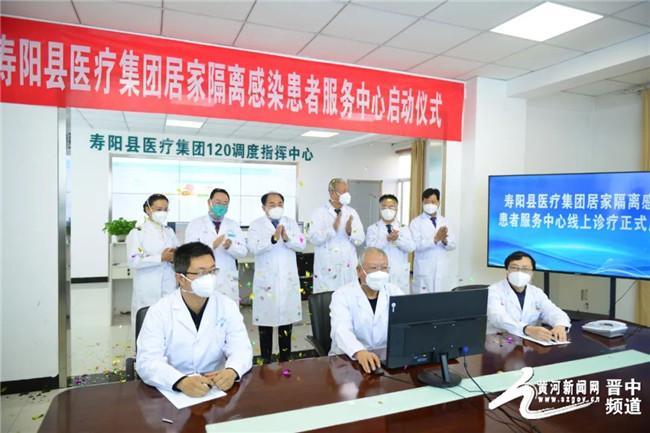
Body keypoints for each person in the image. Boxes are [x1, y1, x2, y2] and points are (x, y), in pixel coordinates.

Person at [136, 242, 253, 396]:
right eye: (201, 273)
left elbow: (241, 348)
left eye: (212, 271)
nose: (209, 278)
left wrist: (232, 370)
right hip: (172, 391)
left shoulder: (227, 305)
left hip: (216, 388)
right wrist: (180, 381)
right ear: (180, 278)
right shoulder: (159, 312)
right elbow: (147, 361)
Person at [247, 192, 305, 363]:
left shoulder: (291, 223)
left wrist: (287, 238)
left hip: (287, 281)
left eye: (280, 204)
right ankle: (265, 362)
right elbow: (253, 247)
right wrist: (272, 239)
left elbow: (301, 244)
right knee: (265, 324)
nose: (276, 207)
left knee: (286, 325)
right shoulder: (256, 225)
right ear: (263, 207)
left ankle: (285, 361)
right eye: (272, 204)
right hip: (266, 283)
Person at [329, 247, 403, 373]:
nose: (379, 273)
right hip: (348, 360)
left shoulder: (394, 292)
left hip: (384, 359)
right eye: (373, 268)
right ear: (359, 270)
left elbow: (406, 324)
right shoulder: (342, 295)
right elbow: (341, 330)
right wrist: (359, 351)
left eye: (384, 268)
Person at [487, 251, 571, 342]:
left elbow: (553, 311)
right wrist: (526, 329)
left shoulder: (536, 292)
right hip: (499, 341)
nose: (519, 272)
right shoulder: (493, 291)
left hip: (528, 343)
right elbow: (497, 317)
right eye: (514, 268)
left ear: (532, 272)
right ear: (507, 270)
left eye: (525, 269)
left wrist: (560, 325)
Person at [126, 194, 179, 332]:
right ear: (148, 209)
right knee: (147, 325)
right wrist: (160, 258)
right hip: (148, 286)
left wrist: (174, 257)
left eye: (165, 209)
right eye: (159, 209)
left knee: (169, 323)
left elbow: (177, 253)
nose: (163, 212)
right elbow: (133, 261)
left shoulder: (169, 232)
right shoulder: (137, 233)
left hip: (169, 285)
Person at [185, 188, 247, 302]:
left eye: (225, 203)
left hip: (227, 278)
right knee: (205, 308)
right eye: (218, 202)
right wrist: (211, 245)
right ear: (209, 202)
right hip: (203, 276)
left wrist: (231, 247)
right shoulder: (195, 224)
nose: (221, 206)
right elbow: (189, 252)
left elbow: (243, 252)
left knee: (228, 309)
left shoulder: (233, 225)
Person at [307, 178, 364, 293]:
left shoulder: (352, 212)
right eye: (343, 191)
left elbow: (361, 239)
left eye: (347, 191)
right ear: (332, 193)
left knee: (348, 297)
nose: (347, 194)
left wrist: (350, 232)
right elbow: (312, 238)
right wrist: (331, 230)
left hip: (347, 267)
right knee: (327, 299)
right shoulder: (318, 213)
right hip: (327, 267)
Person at [365, 194, 415, 293]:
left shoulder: (403, 228)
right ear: (380, 208)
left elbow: (411, 247)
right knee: (380, 297)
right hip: (379, 271)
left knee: (399, 298)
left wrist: (397, 240)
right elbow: (370, 249)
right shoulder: (373, 228)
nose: (387, 210)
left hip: (399, 271)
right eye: (384, 207)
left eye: (391, 207)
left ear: (396, 209)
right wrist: (386, 239)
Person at [410, 188, 456, 293]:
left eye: (433, 202)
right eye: (426, 202)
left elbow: (453, 244)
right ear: (422, 203)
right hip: (424, 269)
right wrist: (435, 239)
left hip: (442, 268)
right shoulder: (416, 222)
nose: (429, 205)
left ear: (438, 203)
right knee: (424, 299)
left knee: (442, 298)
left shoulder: (445, 221)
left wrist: (444, 241)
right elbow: (415, 245)